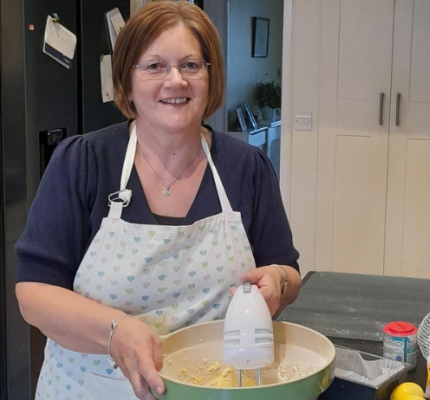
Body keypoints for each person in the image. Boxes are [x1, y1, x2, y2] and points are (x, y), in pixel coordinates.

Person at [14, 2, 301, 399]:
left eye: (190, 65)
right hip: (91, 388)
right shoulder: (82, 162)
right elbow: (34, 294)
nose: (175, 81)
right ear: (127, 80)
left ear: (210, 77)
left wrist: (279, 282)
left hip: (215, 389)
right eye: (154, 66)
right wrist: (114, 332)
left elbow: (287, 271)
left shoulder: (246, 168)